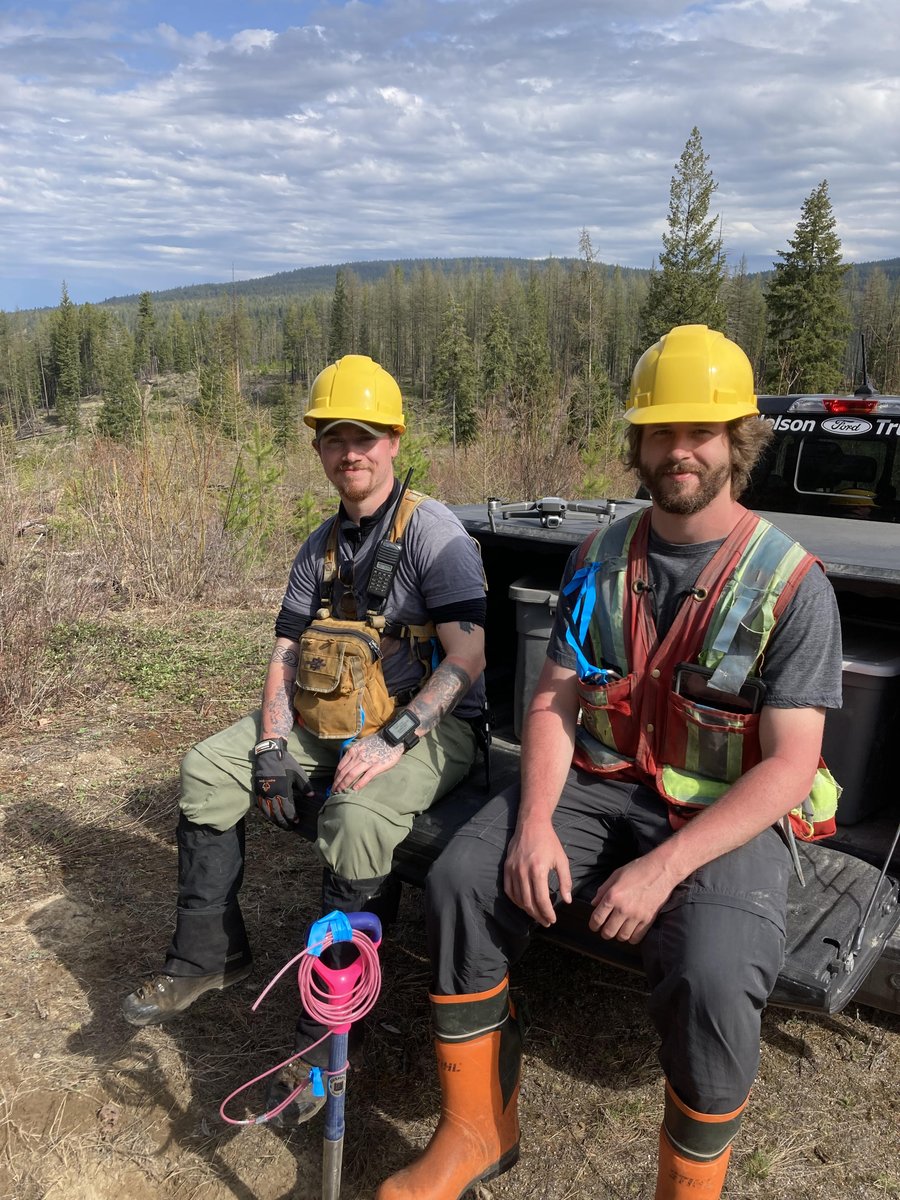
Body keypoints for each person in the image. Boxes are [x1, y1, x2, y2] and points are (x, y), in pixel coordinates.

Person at [376, 325, 843, 1200]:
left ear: (736, 441)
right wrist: (536, 823)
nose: (679, 451)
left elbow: (788, 768)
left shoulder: (790, 584)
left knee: (712, 972)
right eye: (660, 432)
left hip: (724, 818)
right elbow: (555, 696)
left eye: (699, 432)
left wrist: (663, 870)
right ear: (638, 443)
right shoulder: (598, 559)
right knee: (460, 884)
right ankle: (478, 1128)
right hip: (598, 786)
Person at [122, 354, 488, 1125]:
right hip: (328, 718)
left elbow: (467, 658)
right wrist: (268, 749)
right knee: (204, 769)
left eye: (364, 437)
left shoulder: (436, 535)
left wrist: (393, 739)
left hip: (433, 727)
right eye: (333, 438)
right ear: (319, 448)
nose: (349, 452)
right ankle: (208, 957)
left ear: (394, 441)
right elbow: (287, 653)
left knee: (354, 818)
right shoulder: (319, 545)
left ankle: (324, 1038)